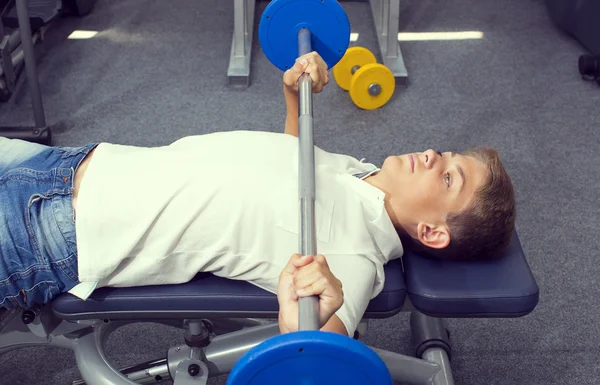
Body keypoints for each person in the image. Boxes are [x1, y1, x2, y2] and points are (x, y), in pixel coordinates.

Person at [0, 52, 516, 337]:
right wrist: (294, 98)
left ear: (431, 231)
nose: (431, 154)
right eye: (447, 155)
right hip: (79, 162)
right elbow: (292, 167)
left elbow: (315, 356)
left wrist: (309, 321)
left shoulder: (354, 260)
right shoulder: (362, 177)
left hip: (58, 230)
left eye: (448, 178)